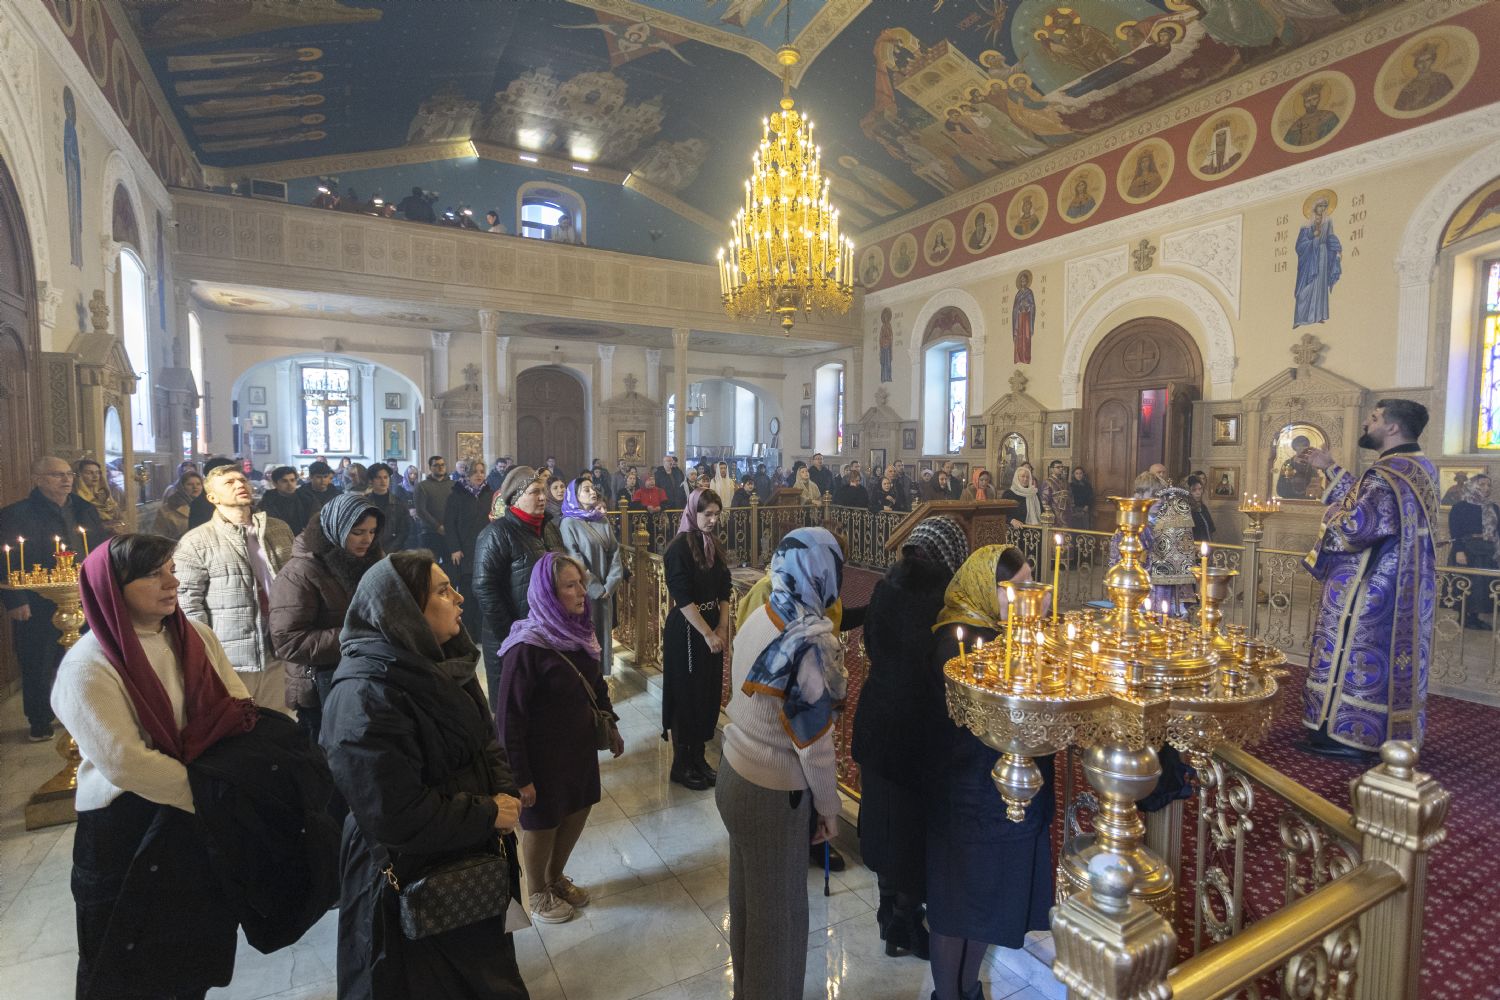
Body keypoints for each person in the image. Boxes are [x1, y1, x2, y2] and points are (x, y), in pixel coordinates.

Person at [53, 534, 256, 998]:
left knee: (190, 953)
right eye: (152, 574)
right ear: (113, 587)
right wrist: (210, 796)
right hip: (127, 824)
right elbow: (126, 762)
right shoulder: (89, 664)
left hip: (194, 816)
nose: (172, 583)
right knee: (125, 965)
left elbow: (236, 702)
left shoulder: (194, 635)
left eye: (171, 570)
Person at [322, 550, 528, 999]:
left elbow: (484, 739)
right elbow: (394, 813)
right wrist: (487, 812)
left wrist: (504, 790)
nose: (459, 598)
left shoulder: (447, 659)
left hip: (466, 852)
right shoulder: (365, 695)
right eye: (442, 591)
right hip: (409, 873)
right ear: (404, 611)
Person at [716, 527, 846, 999]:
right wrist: (828, 809)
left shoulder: (763, 612)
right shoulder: (808, 642)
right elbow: (814, 745)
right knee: (780, 924)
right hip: (772, 794)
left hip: (734, 774)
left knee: (750, 907)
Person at [929, 545, 1054, 1000]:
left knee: (985, 906)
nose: (1029, 599)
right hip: (963, 794)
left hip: (1000, 797)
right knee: (956, 905)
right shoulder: (956, 641)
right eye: (1015, 589)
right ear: (986, 587)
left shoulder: (1011, 635)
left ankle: (968, 989)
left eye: (1030, 586)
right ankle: (948, 994)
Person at [853, 517, 970, 959]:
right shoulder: (945, 603)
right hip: (918, 728)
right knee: (912, 829)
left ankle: (888, 914)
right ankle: (905, 919)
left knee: (883, 818)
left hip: (877, 717)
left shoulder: (884, 588)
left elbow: (871, 645)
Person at [1298, 399, 1437, 760]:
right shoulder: (1418, 467)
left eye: (1374, 418)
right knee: (1388, 658)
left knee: (1354, 652)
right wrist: (1330, 468)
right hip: (1403, 585)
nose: (1366, 423)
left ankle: (1345, 734)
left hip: (1370, 586)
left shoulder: (1385, 474)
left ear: (1392, 427)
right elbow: (1368, 502)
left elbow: (1356, 528)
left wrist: (1330, 515)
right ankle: (1387, 733)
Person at [498, 553, 623, 924]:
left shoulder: (578, 632)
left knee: (578, 807)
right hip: (542, 756)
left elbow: (596, 685)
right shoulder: (526, 647)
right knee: (543, 821)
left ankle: (554, 878)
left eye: (581, 582)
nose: (582, 591)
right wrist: (520, 777)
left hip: (578, 748)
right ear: (549, 594)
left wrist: (611, 724)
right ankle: (537, 892)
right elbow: (508, 718)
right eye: (570, 585)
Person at [0, 455, 109, 740]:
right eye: (56, 475)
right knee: (37, 659)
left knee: (84, 656)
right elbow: (5, 560)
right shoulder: (16, 514)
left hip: (82, 595)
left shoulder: (85, 509)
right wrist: (15, 599)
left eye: (69, 474)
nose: (66, 479)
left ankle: (82, 712)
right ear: (37, 479)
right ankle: (39, 719)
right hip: (37, 598)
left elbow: (98, 551)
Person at [175, 464, 295, 714]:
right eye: (229, 483)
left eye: (242, 480)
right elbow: (188, 602)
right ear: (212, 497)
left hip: (279, 645)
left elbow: (297, 581)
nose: (240, 485)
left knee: (282, 722)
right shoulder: (196, 541)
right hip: (233, 654)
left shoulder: (278, 529)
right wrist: (205, 651)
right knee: (239, 722)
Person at [270, 492, 384, 751]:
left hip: (364, 678)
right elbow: (288, 642)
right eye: (357, 532)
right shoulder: (300, 573)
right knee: (328, 760)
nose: (367, 540)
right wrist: (360, 636)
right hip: (320, 689)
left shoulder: (372, 561)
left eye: (372, 531)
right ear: (336, 528)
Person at [662, 488, 731, 790]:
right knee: (687, 696)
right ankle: (682, 763)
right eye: (707, 514)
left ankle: (699, 758)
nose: (713, 520)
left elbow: (725, 589)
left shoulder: (713, 544)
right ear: (693, 513)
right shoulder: (678, 548)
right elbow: (682, 597)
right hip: (689, 630)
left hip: (712, 626)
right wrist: (707, 633)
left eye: (717, 514)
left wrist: (722, 628)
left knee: (707, 693)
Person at [474, 467, 555, 711]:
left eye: (543, 491)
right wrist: (513, 637)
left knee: (544, 709)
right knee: (513, 710)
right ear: (516, 498)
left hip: (546, 632)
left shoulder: (549, 528)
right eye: (534, 492)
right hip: (510, 638)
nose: (542, 497)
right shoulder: (496, 533)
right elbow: (484, 588)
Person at [558, 477, 625, 673]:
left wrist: (610, 584)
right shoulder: (568, 523)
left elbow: (615, 553)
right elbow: (574, 559)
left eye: (593, 488)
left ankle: (600, 681)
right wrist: (595, 588)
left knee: (603, 637)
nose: (592, 492)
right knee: (586, 637)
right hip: (584, 592)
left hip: (605, 591)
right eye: (586, 490)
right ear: (575, 496)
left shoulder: (601, 519)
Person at [445, 462, 495, 639]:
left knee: (485, 591)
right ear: (467, 475)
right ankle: (468, 633)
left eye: (482, 471)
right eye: (475, 472)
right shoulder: (456, 495)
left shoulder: (491, 494)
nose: (479, 475)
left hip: (486, 549)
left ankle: (482, 632)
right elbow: (449, 524)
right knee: (467, 592)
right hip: (465, 550)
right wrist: (455, 548)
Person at [1449, 473, 1498, 629]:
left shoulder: (1493, 508)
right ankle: (1463, 617)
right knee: (1466, 583)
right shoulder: (1460, 507)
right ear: (1472, 486)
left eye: (1488, 485)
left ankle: (1475, 617)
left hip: (1488, 551)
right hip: (1467, 549)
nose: (1486, 488)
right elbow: (1455, 532)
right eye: (1482, 484)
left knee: (1481, 587)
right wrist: (1459, 551)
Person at [363, 462, 411, 552]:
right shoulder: (364, 503)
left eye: (386, 477)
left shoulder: (398, 503)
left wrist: (391, 550)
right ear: (371, 480)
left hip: (393, 550)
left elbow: (404, 530)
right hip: (368, 549)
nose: (383, 481)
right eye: (378, 478)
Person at [75, 457, 125, 535]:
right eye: (89, 473)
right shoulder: (77, 500)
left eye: (97, 472)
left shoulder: (105, 496)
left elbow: (119, 516)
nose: (95, 476)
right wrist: (105, 527)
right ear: (80, 476)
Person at [416, 454, 454, 551]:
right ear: (430, 468)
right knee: (430, 560)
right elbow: (421, 511)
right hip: (430, 533)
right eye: (436, 465)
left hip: (450, 532)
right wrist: (437, 526)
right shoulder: (422, 486)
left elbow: (458, 507)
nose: (440, 467)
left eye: (442, 465)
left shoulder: (454, 485)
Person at [153, 470, 205, 540]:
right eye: (189, 484)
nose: (195, 487)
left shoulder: (210, 505)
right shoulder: (167, 510)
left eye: (198, 484)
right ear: (182, 487)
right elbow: (158, 536)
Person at [258, 465, 310, 532]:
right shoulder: (268, 500)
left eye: (292, 480)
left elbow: (313, 520)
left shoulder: (305, 497)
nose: (290, 484)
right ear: (275, 484)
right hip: (278, 534)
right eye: (284, 481)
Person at [1003, 463, 1043, 528]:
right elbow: (1002, 513)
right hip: (1016, 529)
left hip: (1034, 529)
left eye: (1027, 477)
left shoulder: (1034, 493)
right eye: (1022, 476)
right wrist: (1012, 520)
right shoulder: (1009, 493)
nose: (1025, 479)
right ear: (1017, 478)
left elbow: (1042, 511)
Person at [1186, 473, 1216, 542]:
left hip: (1207, 544)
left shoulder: (1203, 507)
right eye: (1194, 490)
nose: (1198, 493)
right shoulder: (1186, 509)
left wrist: (1212, 544)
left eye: (1200, 489)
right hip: (1194, 545)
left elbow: (1210, 530)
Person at [1040, 460, 1071, 525]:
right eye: (1058, 467)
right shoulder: (1048, 482)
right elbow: (1044, 500)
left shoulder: (1065, 482)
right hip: (1054, 513)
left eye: (1062, 467)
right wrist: (1049, 514)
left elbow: (1069, 496)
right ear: (1052, 469)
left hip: (1066, 513)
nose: (1061, 469)